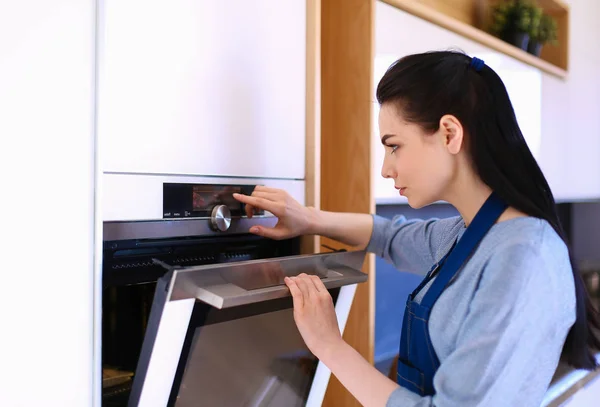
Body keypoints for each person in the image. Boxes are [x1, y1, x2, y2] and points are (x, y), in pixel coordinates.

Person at [233, 50, 600, 407]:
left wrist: (329, 344)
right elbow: (386, 236)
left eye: (394, 147)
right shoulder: (470, 233)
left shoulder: (522, 257)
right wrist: (307, 219)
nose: (385, 168)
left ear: (449, 133)